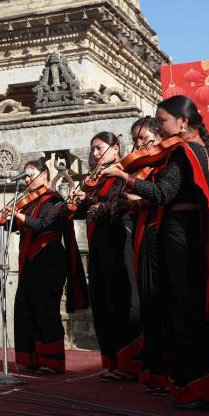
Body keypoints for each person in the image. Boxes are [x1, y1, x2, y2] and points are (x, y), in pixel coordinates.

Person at [102, 96, 209, 408]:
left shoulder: (185, 151)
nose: (159, 128)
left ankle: (199, 387)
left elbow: (163, 193)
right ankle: (200, 386)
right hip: (182, 233)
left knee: (185, 307)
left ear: (183, 122)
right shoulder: (189, 149)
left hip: (182, 236)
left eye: (162, 121)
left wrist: (124, 178)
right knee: (186, 307)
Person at [0, 159, 87, 374]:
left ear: (44, 175)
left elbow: (42, 224)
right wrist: (2, 221)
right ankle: (33, 358)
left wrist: (17, 214)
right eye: (25, 175)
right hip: (31, 261)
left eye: (31, 174)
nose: (27, 179)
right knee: (28, 308)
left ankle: (53, 361)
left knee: (46, 309)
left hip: (49, 259)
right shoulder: (29, 201)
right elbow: (21, 225)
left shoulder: (54, 199)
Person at [67, 132, 141, 381]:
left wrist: (91, 200)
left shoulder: (125, 171)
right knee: (103, 300)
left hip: (119, 239)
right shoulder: (96, 178)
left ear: (115, 148)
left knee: (122, 298)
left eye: (99, 148)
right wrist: (77, 201)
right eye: (93, 149)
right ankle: (112, 362)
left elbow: (120, 202)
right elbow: (85, 210)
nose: (95, 153)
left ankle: (131, 363)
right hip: (99, 243)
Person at [125, 116, 168, 393]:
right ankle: (155, 372)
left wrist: (132, 188)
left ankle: (166, 372)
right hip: (144, 236)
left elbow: (163, 194)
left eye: (144, 139)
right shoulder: (144, 167)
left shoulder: (166, 163)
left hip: (160, 238)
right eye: (136, 141)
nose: (140, 145)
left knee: (161, 303)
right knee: (149, 305)